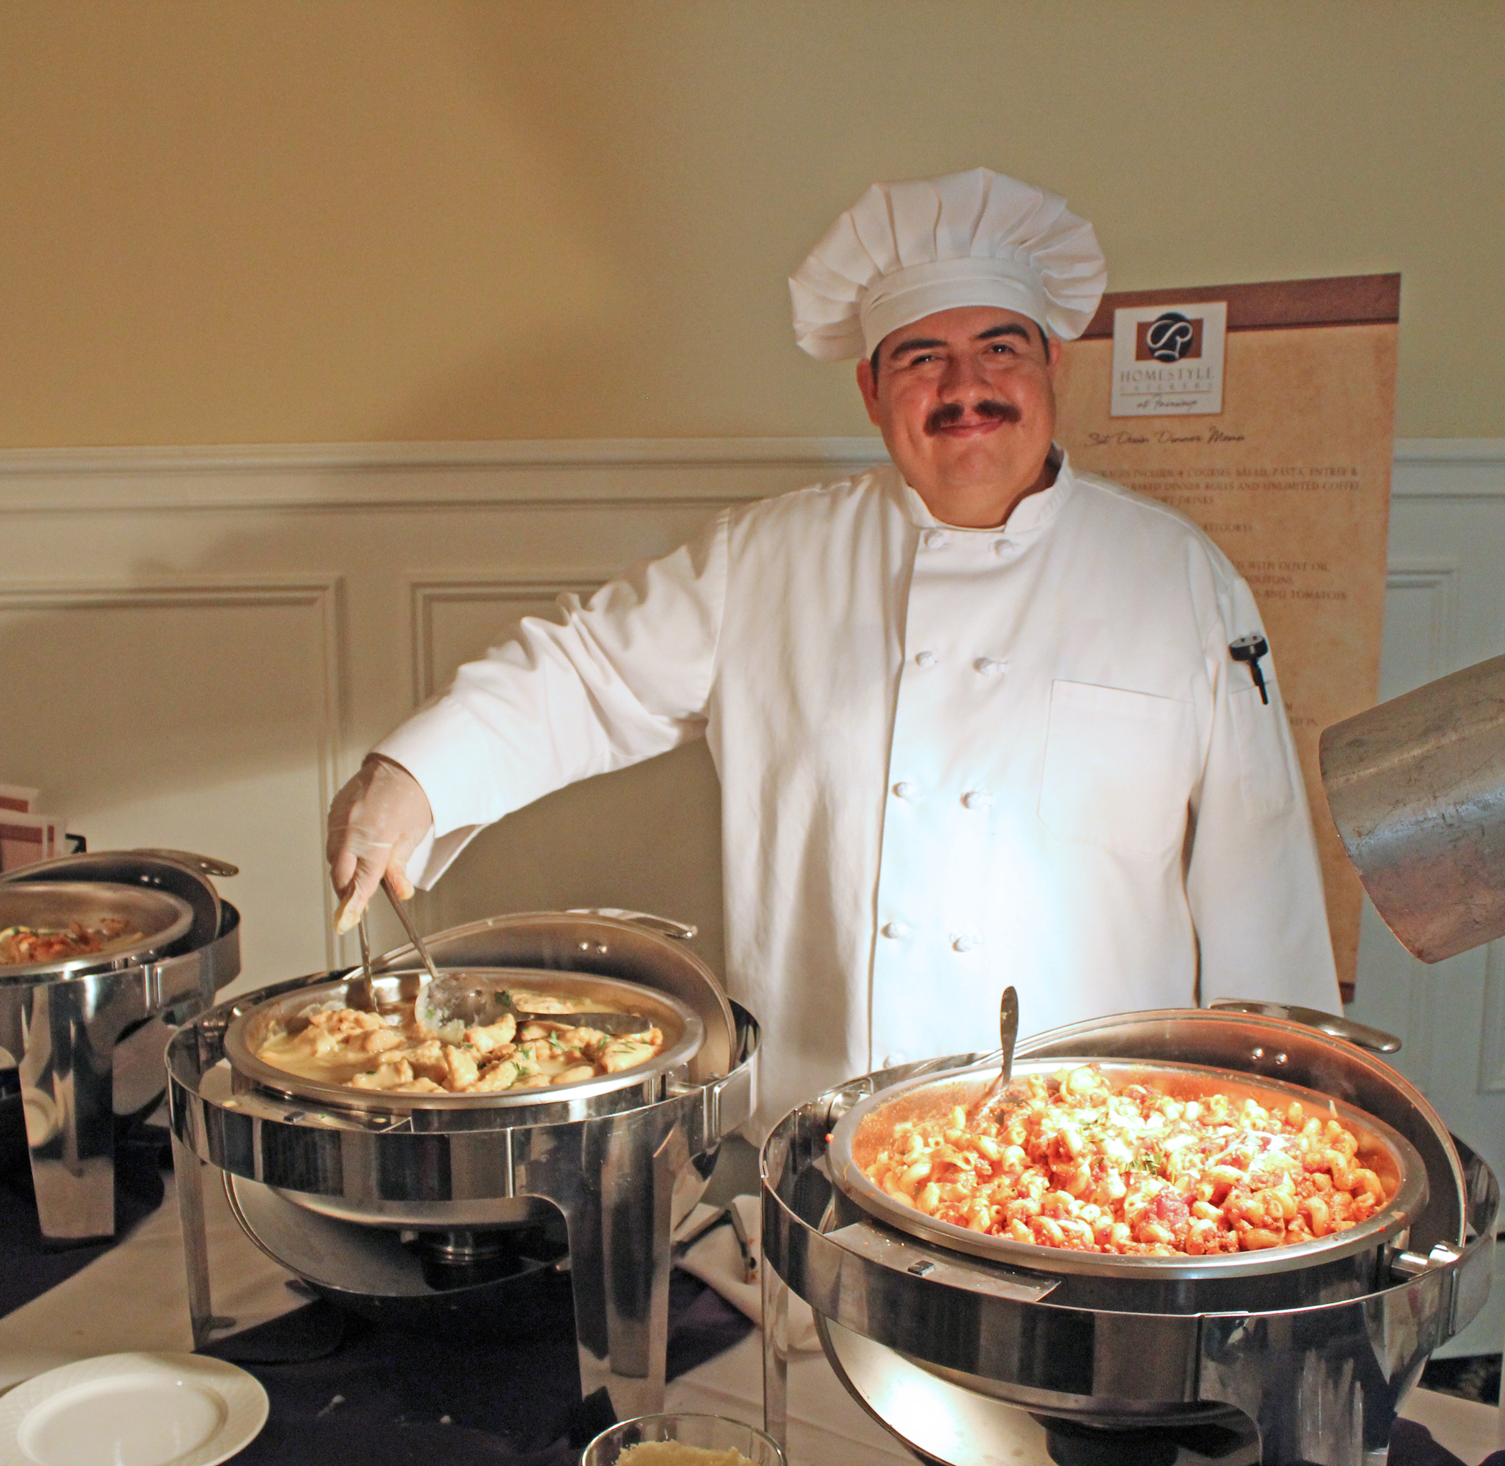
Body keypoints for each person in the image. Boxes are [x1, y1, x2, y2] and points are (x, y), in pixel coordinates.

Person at [327, 167, 1340, 1129]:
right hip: (818, 1134)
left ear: (1053, 367)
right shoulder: (765, 556)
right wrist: (415, 774)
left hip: (1090, 1157)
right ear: (870, 389)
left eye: (1000, 348)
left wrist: (1287, 1122)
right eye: (921, 357)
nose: (966, 385)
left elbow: (1261, 878)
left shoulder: (1180, 577)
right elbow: (585, 674)